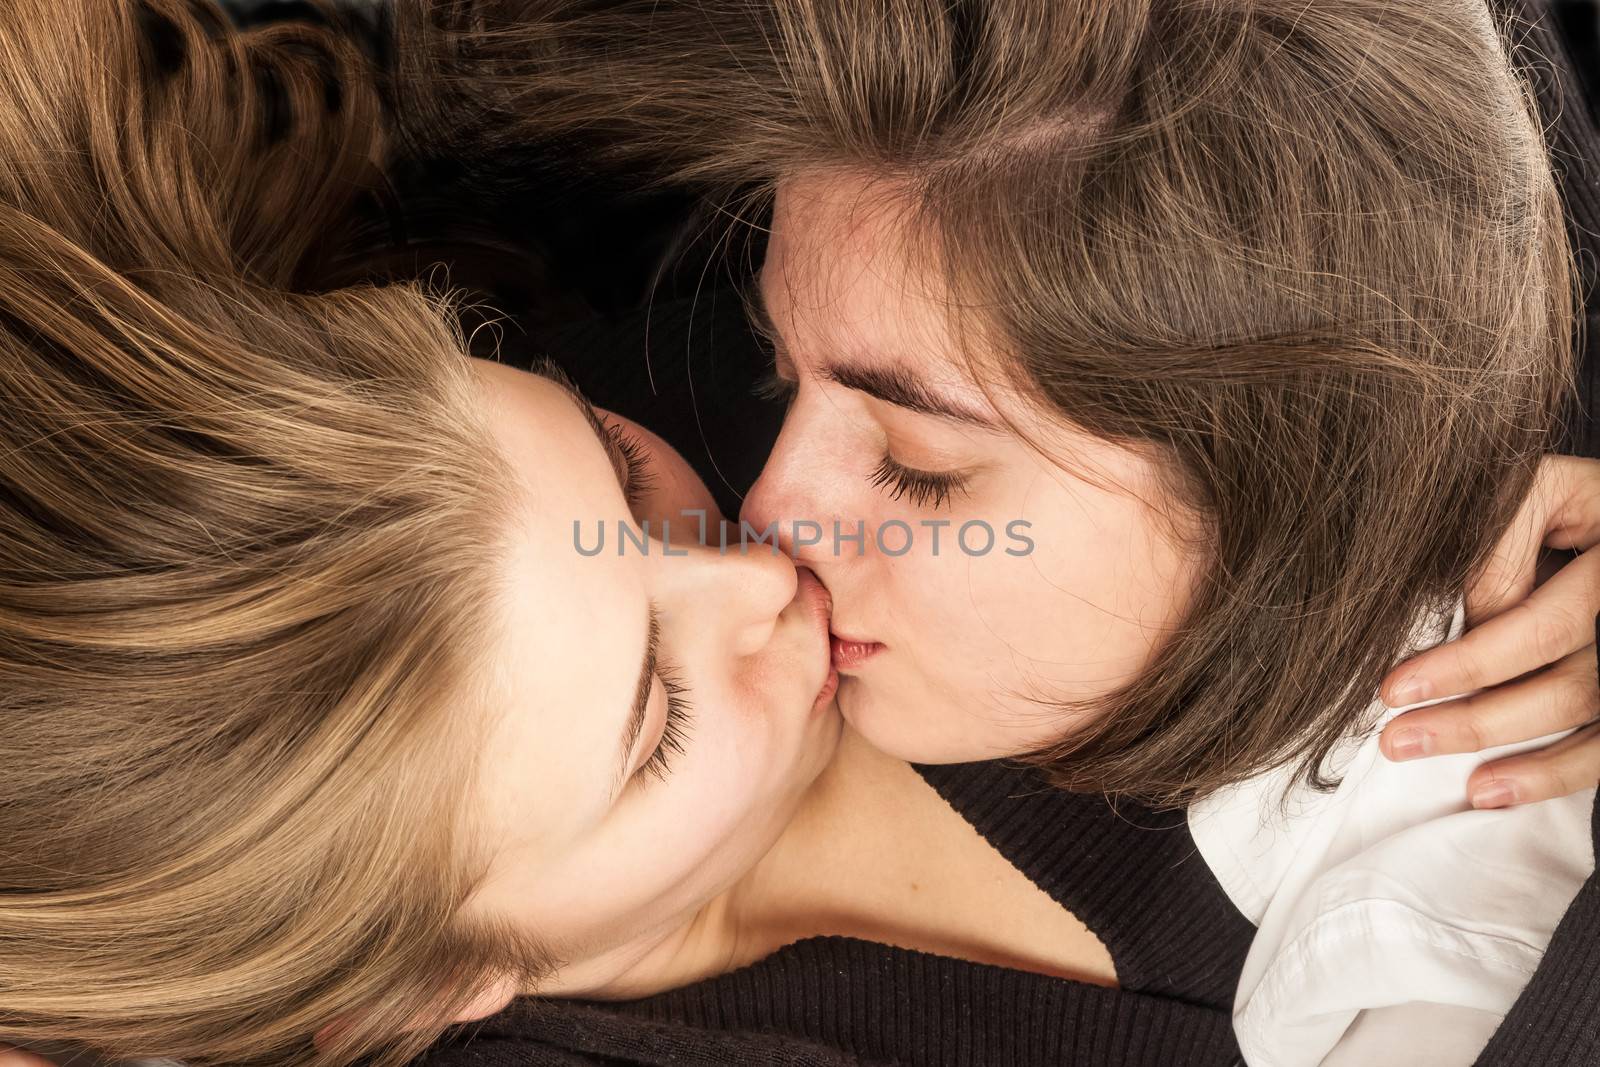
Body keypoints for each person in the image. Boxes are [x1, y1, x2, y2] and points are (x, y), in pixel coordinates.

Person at [1, 3, 1598, 1067]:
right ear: (416, 990)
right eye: (658, 720)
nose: (767, 558)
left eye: (626, 486)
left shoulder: (739, 355)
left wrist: (1469, 451)